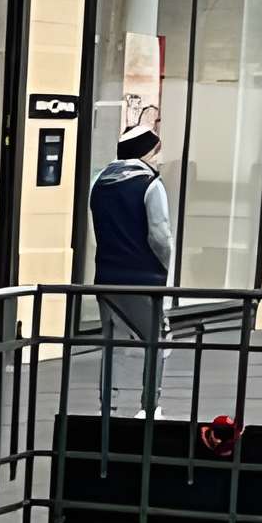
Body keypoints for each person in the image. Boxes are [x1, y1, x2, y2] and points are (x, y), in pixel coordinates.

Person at [87, 125, 172, 410]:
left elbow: (93, 232)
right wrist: (164, 269)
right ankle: (150, 406)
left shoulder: (99, 183)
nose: (158, 159)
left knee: (111, 342)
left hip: (107, 275)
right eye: (157, 152)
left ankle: (106, 406)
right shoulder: (150, 184)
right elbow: (160, 236)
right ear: (147, 152)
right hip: (143, 277)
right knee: (156, 342)